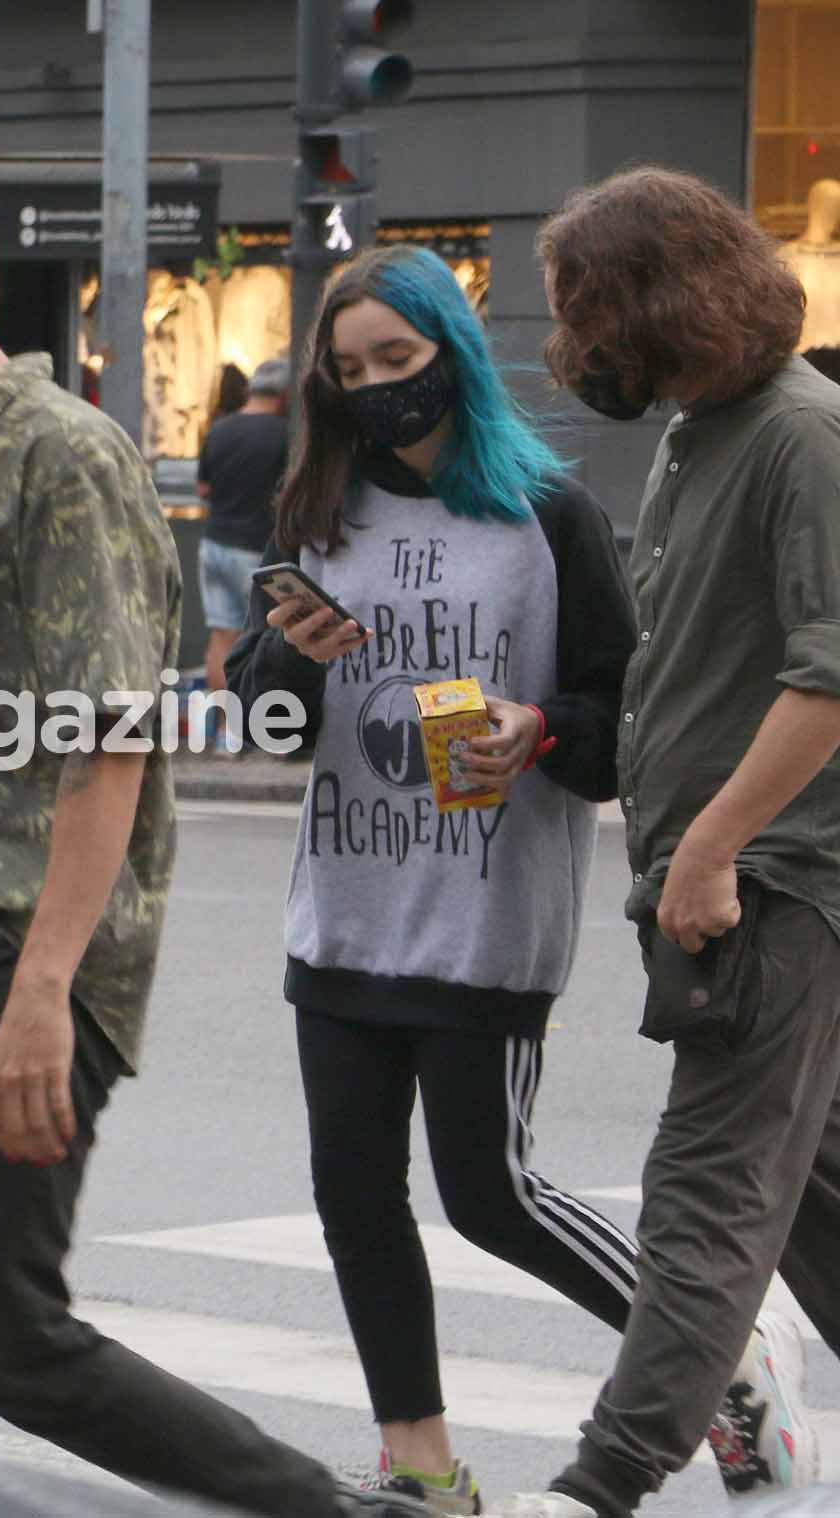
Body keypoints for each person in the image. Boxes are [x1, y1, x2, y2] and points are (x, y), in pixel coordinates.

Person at [0, 155, 426, 1518]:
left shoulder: (63, 459)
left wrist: (42, 992)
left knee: (12, 1340)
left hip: (5, 950)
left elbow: (111, 741)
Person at [221, 243, 751, 1513]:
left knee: (491, 1195)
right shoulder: (318, 514)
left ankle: (720, 1355)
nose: (375, 390)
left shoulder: (545, 515)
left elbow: (623, 719)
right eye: (348, 373)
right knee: (353, 1198)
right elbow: (271, 728)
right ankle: (424, 1469)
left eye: (396, 362)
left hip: (483, 918)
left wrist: (539, 730)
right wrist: (284, 663)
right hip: (341, 908)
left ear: (449, 357)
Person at [489, 165, 840, 1518]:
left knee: (703, 1195)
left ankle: (599, 1485)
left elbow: (826, 673)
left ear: (660, 295)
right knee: (808, 1192)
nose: (569, 339)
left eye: (581, 304)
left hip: (774, 882)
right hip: (723, 879)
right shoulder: (709, 428)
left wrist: (711, 850)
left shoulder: (800, 434)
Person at [197, 356, 290, 704]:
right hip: (255, 548)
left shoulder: (219, 428)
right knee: (267, 638)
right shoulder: (285, 435)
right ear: (284, 397)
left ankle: (226, 732)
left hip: (214, 543)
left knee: (222, 636)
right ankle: (265, 724)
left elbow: (203, 489)